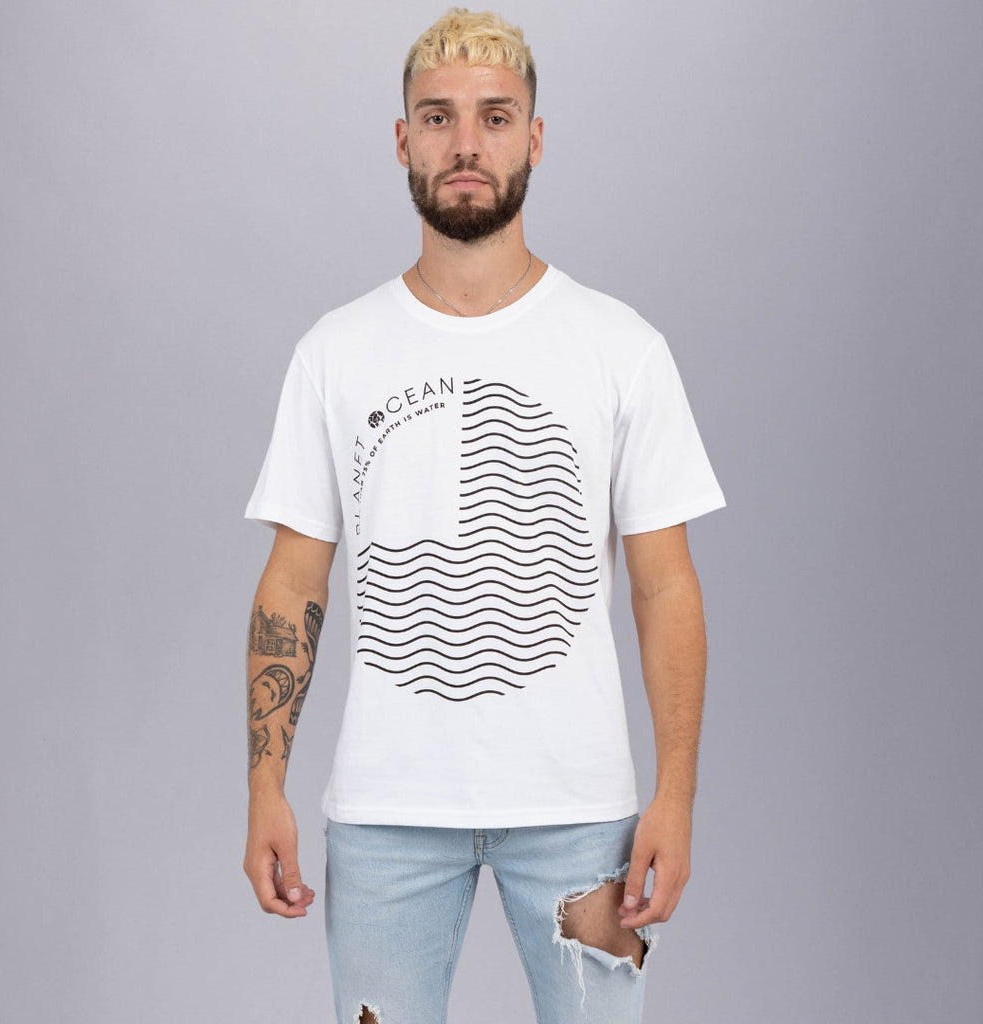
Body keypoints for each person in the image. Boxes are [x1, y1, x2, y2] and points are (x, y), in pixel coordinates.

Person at [242, 9, 725, 1022]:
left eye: (495, 117)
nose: (466, 144)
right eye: (439, 117)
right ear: (402, 139)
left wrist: (675, 796)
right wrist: (264, 788)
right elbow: (293, 580)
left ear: (534, 139)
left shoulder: (621, 348)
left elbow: (665, 586)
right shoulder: (333, 352)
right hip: (384, 815)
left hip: (582, 816)